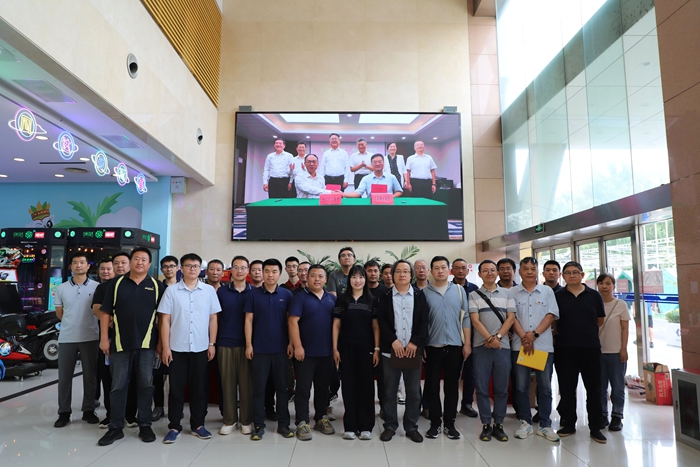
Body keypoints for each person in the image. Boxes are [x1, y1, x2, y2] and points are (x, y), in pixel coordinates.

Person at [98, 248, 165, 446]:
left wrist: (161, 343)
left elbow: (162, 317)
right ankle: (115, 427)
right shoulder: (117, 283)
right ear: (130, 262)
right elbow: (105, 312)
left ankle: (145, 424)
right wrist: (104, 338)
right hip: (120, 343)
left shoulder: (157, 285)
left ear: (150, 264)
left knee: (145, 385)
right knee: (118, 385)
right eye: (136, 259)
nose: (140, 262)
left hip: (147, 345)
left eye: (144, 259)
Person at [158, 253, 221, 444]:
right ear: (181, 268)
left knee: (199, 389)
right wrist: (166, 347)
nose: (192, 269)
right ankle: (174, 426)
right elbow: (165, 320)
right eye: (188, 266)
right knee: (176, 389)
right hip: (176, 348)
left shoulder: (208, 291)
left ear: (200, 269)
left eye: (196, 266)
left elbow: (213, 318)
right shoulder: (171, 291)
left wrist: (212, 343)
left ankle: (198, 425)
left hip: (201, 348)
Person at [554, 261, 607, 444]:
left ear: (582, 275)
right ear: (563, 276)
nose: (572, 275)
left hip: (590, 348)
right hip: (565, 349)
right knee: (567, 389)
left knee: (594, 389)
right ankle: (569, 424)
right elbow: (554, 321)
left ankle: (595, 427)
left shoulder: (594, 295)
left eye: (575, 272)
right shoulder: (558, 296)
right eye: (568, 273)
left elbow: (599, 320)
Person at [377, 260, 429, 443]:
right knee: (389, 391)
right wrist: (393, 341)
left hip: (413, 351)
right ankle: (390, 425)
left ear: (411, 275)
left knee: (413, 392)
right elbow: (381, 321)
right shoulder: (385, 296)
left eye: (406, 271)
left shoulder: (419, 295)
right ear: (392, 275)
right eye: (398, 271)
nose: (402, 274)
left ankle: (411, 426)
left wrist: (415, 343)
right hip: (391, 351)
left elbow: (424, 321)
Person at [510, 257, 560, 442]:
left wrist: (534, 335)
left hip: (543, 347)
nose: (530, 272)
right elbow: (511, 317)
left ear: (537, 271)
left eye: (533, 268)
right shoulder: (512, 292)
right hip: (520, 346)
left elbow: (551, 315)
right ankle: (526, 422)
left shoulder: (547, 291)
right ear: (520, 271)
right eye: (526, 268)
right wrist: (525, 337)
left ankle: (545, 424)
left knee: (545, 387)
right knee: (521, 386)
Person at [245, 259, 295, 440]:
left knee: (282, 388)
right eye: (267, 271)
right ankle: (258, 425)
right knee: (259, 389)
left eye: (274, 271)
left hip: (281, 349)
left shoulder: (286, 294)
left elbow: (290, 321)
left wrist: (291, 343)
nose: (270, 275)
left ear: (280, 274)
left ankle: (283, 424)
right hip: (259, 349)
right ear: (262, 273)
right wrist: (249, 344)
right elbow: (248, 320)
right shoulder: (253, 294)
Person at [422, 256, 471, 440]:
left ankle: (450, 424)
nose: (440, 270)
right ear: (431, 271)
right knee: (432, 386)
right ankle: (435, 423)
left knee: (452, 387)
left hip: (455, 346)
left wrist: (467, 343)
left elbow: (466, 318)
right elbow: (420, 322)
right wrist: (422, 345)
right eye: (436, 268)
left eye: (443, 267)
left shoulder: (459, 290)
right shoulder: (424, 293)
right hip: (432, 347)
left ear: (448, 270)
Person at [288, 264, 337, 441]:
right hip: (305, 353)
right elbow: (292, 322)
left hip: (326, 352)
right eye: (313, 275)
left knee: (323, 388)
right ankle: (302, 421)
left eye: (320, 276)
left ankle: (321, 418)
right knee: (303, 389)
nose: (317, 279)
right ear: (307, 278)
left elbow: (337, 325)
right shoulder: (300, 297)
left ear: (326, 279)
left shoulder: (332, 299)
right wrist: (298, 346)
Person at [469, 259, 515, 442]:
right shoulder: (473, 295)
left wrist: (498, 338)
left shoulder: (508, 293)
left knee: (501, 388)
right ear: (479, 274)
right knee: (481, 388)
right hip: (481, 347)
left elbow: (510, 318)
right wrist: (490, 339)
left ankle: (499, 424)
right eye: (485, 270)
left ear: (497, 273)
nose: (489, 273)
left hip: (502, 347)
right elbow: (475, 320)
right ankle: (486, 424)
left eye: (492, 270)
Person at [332, 265, 379, 440]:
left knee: (366, 387)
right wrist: (335, 348)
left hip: (367, 349)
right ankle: (350, 426)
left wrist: (376, 349)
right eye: (354, 277)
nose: (357, 280)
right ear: (349, 279)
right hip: (346, 348)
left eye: (361, 277)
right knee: (349, 386)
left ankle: (366, 426)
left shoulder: (372, 300)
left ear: (365, 280)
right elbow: (336, 325)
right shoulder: (342, 300)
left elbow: (375, 327)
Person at [54, 252, 100, 428]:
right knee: (64, 377)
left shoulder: (97, 287)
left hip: (90, 336)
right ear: (70, 266)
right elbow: (60, 313)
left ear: (88, 266)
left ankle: (88, 409)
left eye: (82, 262)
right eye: (75, 262)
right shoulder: (61, 288)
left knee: (90, 376)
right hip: (67, 337)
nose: (78, 265)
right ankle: (64, 412)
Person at [217, 256, 254, 436]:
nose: (240, 271)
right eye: (236, 267)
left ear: (248, 271)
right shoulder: (221, 292)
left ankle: (246, 420)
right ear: (230, 270)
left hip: (248, 345)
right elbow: (215, 318)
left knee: (246, 384)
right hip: (225, 342)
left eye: (243, 267)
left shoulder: (254, 292)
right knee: (227, 383)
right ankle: (229, 420)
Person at [596, 273, 630, 432]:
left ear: (613, 287)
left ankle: (617, 416)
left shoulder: (620, 305)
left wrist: (623, 348)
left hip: (616, 352)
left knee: (617, 387)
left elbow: (625, 328)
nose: (604, 286)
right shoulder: (594, 303)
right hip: (597, 352)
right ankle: (603, 414)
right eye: (601, 283)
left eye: (608, 283)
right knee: (600, 387)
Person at [152, 255, 180, 423]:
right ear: (161, 269)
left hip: (179, 337)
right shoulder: (156, 287)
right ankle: (158, 406)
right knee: (157, 375)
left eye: (172, 266)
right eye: (166, 266)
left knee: (176, 377)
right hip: (159, 337)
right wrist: (161, 341)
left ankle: (175, 410)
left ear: (177, 268)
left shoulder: (183, 287)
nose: (169, 269)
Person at [452, 258, 479, 418]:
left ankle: (467, 404)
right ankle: (451, 405)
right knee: (453, 373)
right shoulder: (449, 288)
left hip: (472, 337)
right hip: (454, 336)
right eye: (457, 268)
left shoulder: (474, 289)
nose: (460, 271)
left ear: (468, 271)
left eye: (463, 268)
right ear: (452, 271)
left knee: (470, 373)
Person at [93, 257, 115, 428]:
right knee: (107, 377)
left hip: (129, 339)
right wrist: (111, 322)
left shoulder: (129, 285)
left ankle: (130, 414)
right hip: (107, 338)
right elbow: (96, 309)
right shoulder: (102, 288)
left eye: (109, 268)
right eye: (103, 268)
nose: (106, 271)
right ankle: (111, 414)